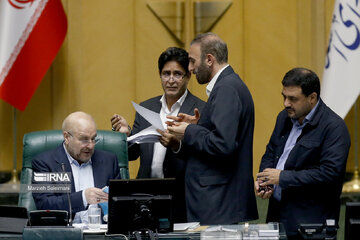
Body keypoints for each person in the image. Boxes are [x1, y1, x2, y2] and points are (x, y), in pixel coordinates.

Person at [164, 32, 258, 225]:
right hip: (218, 201)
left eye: (192, 61)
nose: (190, 69)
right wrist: (198, 125)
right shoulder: (228, 85)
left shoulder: (226, 89)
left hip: (219, 202)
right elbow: (222, 134)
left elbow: (223, 144)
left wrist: (188, 131)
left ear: (209, 59)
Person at [110, 47, 205, 222]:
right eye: (166, 73)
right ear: (160, 75)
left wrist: (177, 145)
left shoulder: (201, 109)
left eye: (177, 74)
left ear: (188, 76)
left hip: (183, 196)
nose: (171, 80)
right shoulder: (146, 107)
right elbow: (132, 154)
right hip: (146, 195)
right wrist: (126, 134)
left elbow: (205, 155)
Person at [255, 68, 351, 239]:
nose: (286, 103)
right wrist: (264, 180)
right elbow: (271, 152)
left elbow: (330, 174)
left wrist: (283, 178)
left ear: (312, 98)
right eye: (284, 96)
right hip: (276, 215)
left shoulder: (334, 127)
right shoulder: (283, 118)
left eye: (293, 99)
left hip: (310, 223)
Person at [32, 111, 121, 223]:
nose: (90, 145)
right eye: (84, 139)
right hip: (65, 235)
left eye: (93, 139)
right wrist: (83, 198)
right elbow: (44, 204)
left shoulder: (109, 161)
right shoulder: (44, 162)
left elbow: (121, 202)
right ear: (67, 137)